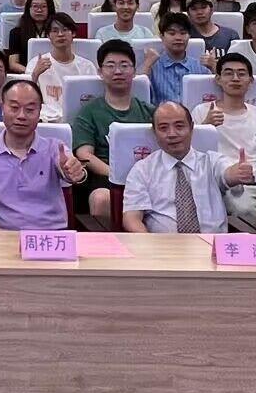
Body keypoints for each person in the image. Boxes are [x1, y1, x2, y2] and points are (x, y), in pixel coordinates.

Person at [0, 80, 85, 231]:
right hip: (3, 236)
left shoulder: (55, 148)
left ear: (39, 112)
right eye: (14, 108)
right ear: (2, 109)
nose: (21, 116)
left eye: (30, 109)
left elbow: (70, 169)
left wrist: (74, 172)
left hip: (51, 237)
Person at [69, 39, 153, 224]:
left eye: (124, 65)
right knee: (100, 199)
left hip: (147, 176)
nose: (118, 71)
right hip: (106, 176)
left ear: (134, 71)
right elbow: (84, 154)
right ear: (100, 72)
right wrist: (116, 174)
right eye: (110, 65)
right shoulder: (89, 111)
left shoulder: (149, 111)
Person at [121, 101, 227, 234]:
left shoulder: (212, 162)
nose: (172, 134)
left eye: (179, 126)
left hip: (213, 243)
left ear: (191, 127)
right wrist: (148, 243)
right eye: (163, 128)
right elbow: (131, 219)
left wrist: (240, 172)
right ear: (154, 132)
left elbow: (229, 173)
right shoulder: (142, 169)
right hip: (162, 244)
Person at [191, 50, 256, 221]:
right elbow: (191, 151)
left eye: (241, 74)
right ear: (218, 79)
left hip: (255, 180)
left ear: (250, 81)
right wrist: (206, 125)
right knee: (243, 208)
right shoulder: (202, 111)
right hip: (219, 179)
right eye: (228, 73)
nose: (235, 78)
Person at [26, 12, 96, 121]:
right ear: (48, 35)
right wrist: (35, 75)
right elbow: (26, 97)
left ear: (73, 33)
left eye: (65, 30)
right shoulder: (36, 63)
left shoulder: (87, 66)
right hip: (46, 121)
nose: (60, 34)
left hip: (78, 120)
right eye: (55, 31)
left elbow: (93, 100)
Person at [145, 14, 209, 111]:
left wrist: (214, 67)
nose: (178, 38)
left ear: (189, 36)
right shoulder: (152, 66)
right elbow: (140, 93)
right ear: (162, 36)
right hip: (162, 117)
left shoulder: (201, 67)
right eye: (172, 33)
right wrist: (147, 66)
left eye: (183, 33)